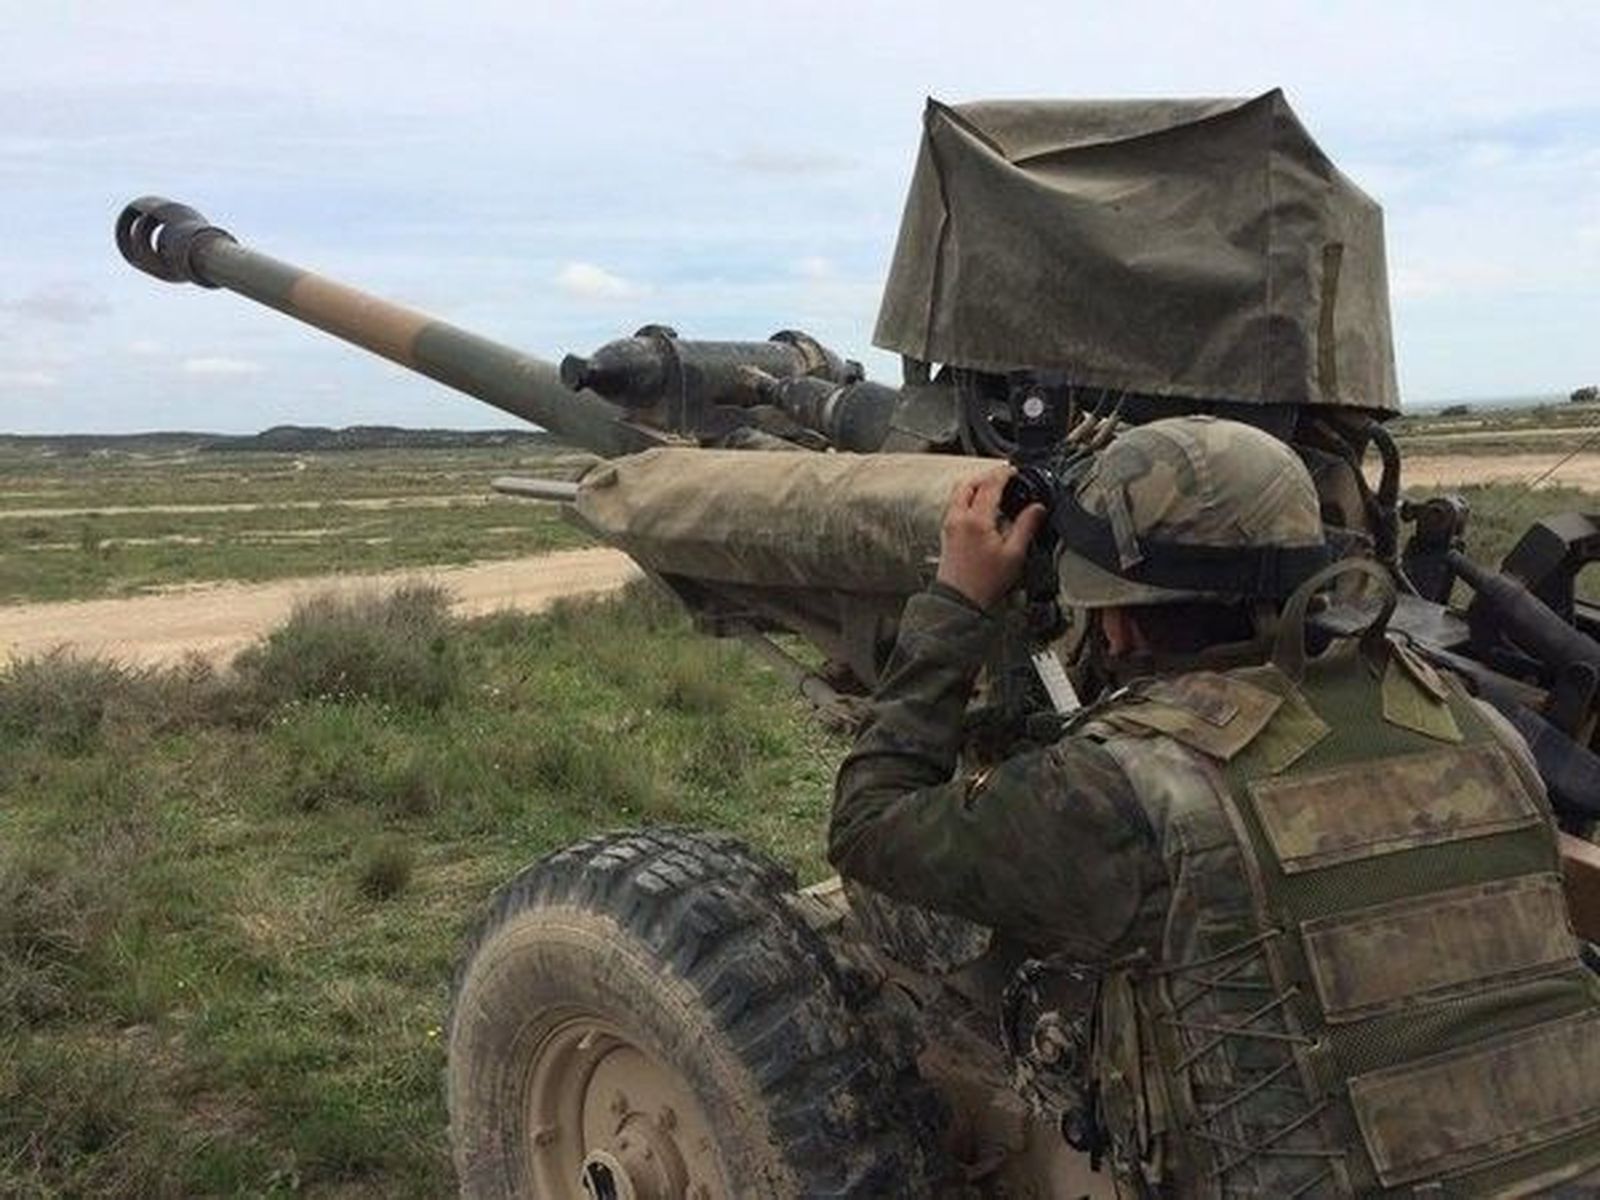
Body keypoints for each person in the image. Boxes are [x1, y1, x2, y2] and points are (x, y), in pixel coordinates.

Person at [830, 415, 1600, 1198]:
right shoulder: (1479, 728)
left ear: (1117, 618)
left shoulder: (1130, 791)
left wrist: (958, 601)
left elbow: (867, 823)